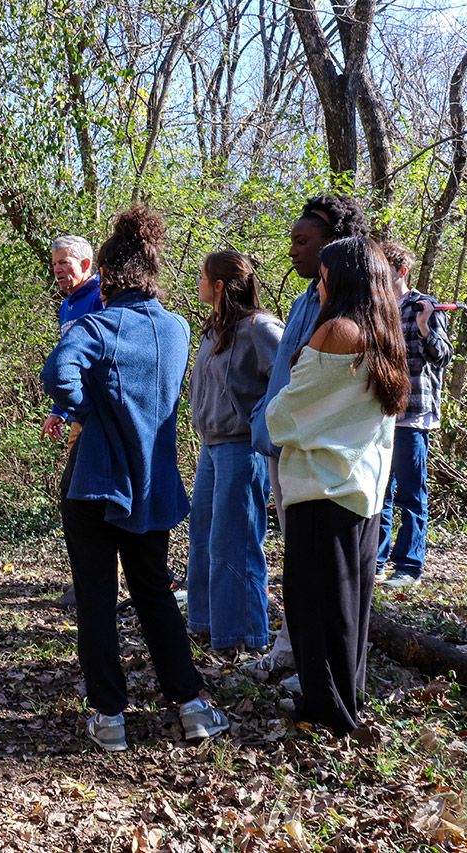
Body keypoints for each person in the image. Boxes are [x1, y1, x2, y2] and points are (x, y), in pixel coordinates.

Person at [42, 205, 230, 752]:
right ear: (150, 272)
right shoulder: (177, 329)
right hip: (150, 485)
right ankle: (192, 707)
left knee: (96, 598)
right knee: (154, 593)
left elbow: (57, 373)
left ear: (107, 276)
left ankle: (109, 719)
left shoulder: (96, 325)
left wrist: (86, 412)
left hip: (93, 483)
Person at [266, 236, 409, 736]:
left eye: (324, 276)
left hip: (322, 488)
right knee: (347, 611)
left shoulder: (337, 331)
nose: (318, 285)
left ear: (341, 279)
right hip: (360, 491)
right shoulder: (383, 330)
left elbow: (282, 416)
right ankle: (342, 705)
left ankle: (329, 714)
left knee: (315, 610)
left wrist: (288, 384)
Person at [244, 194, 371, 680]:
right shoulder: (305, 300)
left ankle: (314, 662)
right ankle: (290, 648)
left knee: (317, 564)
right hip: (283, 448)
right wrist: (263, 418)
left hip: (320, 460)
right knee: (297, 559)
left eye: (304, 242)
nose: (292, 250)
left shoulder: (346, 311)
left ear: (334, 246)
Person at [186, 251, 283, 652]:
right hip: (211, 448)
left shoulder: (260, 328)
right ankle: (207, 625)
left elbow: (290, 379)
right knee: (204, 540)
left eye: (203, 276)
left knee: (236, 543)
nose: (198, 283)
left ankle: (244, 636)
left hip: (243, 450)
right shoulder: (215, 328)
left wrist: (261, 418)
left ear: (220, 285)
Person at [376, 241, 453, 588]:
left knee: (411, 493)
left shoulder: (426, 306)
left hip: (413, 414)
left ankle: (409, 566)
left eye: (384, 270)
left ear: (400, 271)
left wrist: (425, 325)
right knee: (378, 492)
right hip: (377, 415)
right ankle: (375, 561)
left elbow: (442, 357)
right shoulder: (375, 308)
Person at [42, 236, 105, 607]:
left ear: (85, 264)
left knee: (86, 501)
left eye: (65, 262)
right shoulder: (67, 305)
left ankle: (96, 585)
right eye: (55, 264)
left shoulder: (101, 297)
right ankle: (88, 581)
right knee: (78, 500)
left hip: (102, 415)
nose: (59, 270)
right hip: (78, 415)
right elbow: (69, 363)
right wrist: (59, 410)